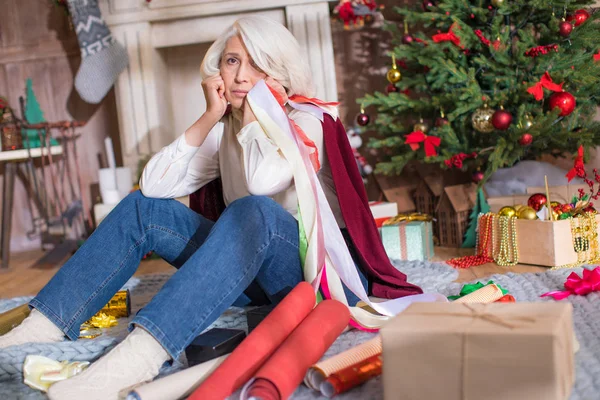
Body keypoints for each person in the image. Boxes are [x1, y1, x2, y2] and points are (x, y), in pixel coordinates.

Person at [0, 16, 420, 400]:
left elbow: (261, 181)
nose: (240, 76)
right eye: (232, 61)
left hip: (314, 282)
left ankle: (138, 358)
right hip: (250, 277)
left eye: (256, 65)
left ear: (279, 72)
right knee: (142, 209)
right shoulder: (228, 130)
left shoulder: (308, 121)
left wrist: (256, 111)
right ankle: (42, 326)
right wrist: (209, 117)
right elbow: (154, 185)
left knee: (255, 210)